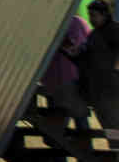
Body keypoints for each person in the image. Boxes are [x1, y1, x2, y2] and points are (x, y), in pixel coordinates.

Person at [79, 0, 119, 152]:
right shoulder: (94, 34)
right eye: (89, 15)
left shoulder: (111, 29)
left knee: (113, 122)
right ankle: (115, 153)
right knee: (107, 123)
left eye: (94, 15)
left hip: (112, 87)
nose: (91, 18)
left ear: (104, 15)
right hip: (98, 88)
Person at [38, 12, 89, 141]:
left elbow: (75, 47)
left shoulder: (75, 22)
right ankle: (63, 159)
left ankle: (79, 157)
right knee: (60, 126)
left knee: (76, 122)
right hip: (56, 79)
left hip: (69, 79)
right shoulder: (76, 22)